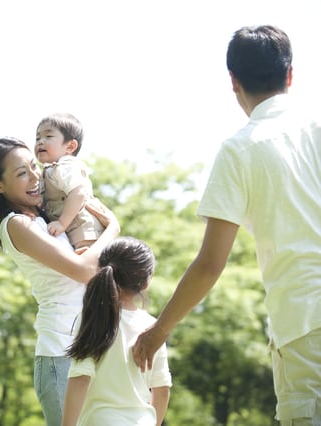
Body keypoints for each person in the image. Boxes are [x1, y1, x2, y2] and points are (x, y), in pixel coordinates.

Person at [132, 24, 321, 425]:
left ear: (233, 81)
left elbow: (210, 263)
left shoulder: (240, 150)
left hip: (305, 322)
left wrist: (157, 331)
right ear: (290, 75)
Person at [0, 136, 120, 426]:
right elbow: (82, 270)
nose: (34, 177)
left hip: (87, 349)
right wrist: (113, 229)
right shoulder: (16, 224)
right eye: (21, 173)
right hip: (61, 355)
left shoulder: (46, 218)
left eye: (34, 167)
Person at [62, 237, 172, 426]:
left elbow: (80, 378)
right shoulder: (153, 328)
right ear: (145, 283)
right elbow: (162, 390)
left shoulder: (94, 318)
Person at [35, 113, 105, 249]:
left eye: (48, 136)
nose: (40, 141)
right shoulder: (49, 170)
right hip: (72, 232)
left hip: (84, 231)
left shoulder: (66, 165)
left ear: (70, 147)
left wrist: (61, 223)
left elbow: (78, 192)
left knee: (89, 266)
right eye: (37, 138)